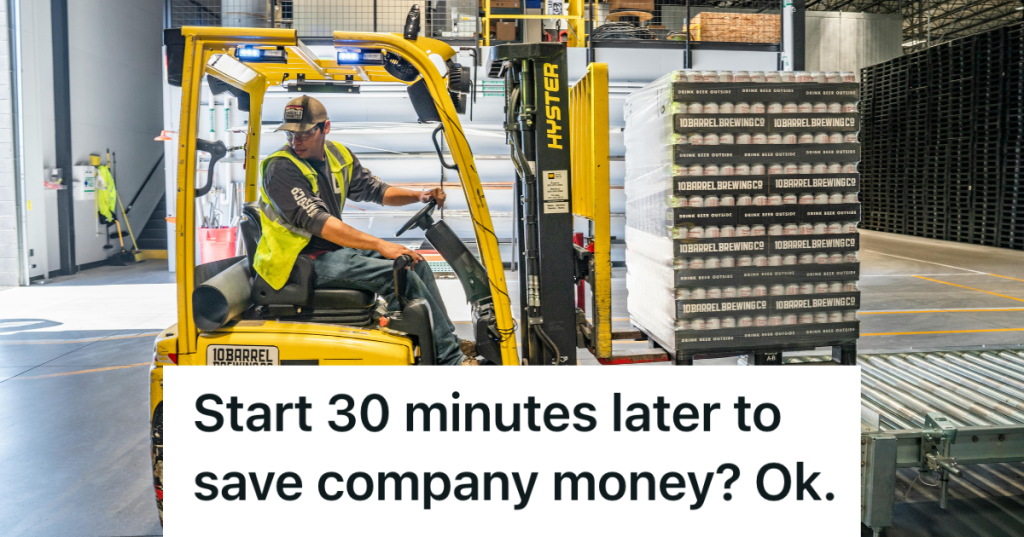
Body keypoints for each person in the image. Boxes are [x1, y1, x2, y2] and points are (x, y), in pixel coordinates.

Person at [253, 95, 474, 365]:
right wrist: (380, 245)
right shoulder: (280, 168)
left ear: (325, 128)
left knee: (416, 263)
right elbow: (320, 222)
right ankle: (451, 360)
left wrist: (419, 196)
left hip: (328, 250)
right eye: (291, 134)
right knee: (394, 273)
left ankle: (444, 341)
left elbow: (377, 191)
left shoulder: (338, 155)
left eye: (305, 134)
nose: (295, 142)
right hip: (297, 261)